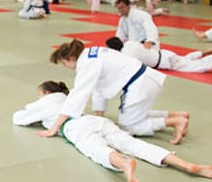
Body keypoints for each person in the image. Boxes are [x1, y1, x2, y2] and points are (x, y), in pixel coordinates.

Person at [13, 80, 211, 182]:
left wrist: (34, 110)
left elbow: (18, 118)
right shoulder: (68, 97)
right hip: (96, 121)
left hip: (76, 128)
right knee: (135, 144)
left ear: (46, 92)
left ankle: (125, 165)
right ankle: (187, 165)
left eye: (39, 94)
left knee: (98, 151)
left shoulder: (44, 102)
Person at [44, 39, 189, 144]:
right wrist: (100, 114)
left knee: (129, 126)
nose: (66, 67)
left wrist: (54, 127)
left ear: (71, 58)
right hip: (146, 80)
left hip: (142, 85)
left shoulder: (86, 63)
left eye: (64, 63)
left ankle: (174, 121)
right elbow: (98, 87)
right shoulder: (90, 54)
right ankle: (177, 114)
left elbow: (77, 95)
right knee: (132, 117)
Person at [106, 37, 212, 73]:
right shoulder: (129, 43)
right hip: (165, 53)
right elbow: (144, 43)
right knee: (185, 59)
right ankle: (204, 53)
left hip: (165, 62)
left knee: (195, 67)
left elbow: (135, 66)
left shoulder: (126, 56)